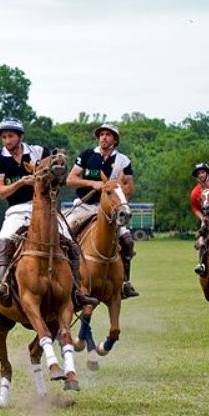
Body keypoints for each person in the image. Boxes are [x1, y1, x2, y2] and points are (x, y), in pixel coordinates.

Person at [0, 117, 99, 309]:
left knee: (70, 242)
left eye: (11, 136)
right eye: (4, 137)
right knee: (4, 240)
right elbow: (0, 192)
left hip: (46, 207)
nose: (7, 140)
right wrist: (22, 182)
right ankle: (4, 285)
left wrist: (57, 169)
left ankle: (77, 290)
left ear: (20, 136)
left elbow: (56, 175)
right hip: (17, 209)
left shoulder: (39, 152)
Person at [65, 123, 140, 299]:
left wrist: (116, 190)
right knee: (64, 234)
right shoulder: (87, 155)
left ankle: (125, 283)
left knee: (127, 242)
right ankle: (68, 278)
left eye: (108, 135)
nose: (104, 137)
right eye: (101, 134)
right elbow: (71, 179)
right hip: (84, 206)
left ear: (115, 139)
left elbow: (129, 186)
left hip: (108, 211)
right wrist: (92, 183)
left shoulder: (123, 161)